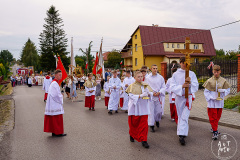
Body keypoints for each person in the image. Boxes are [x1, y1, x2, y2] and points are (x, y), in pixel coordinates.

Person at [170, 57, 199, 145]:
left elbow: (196, 86)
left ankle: (181, 135)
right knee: (180, 115)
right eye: (183, 63)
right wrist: (182, 86)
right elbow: (172, 86)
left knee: (184, 116)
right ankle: (183, 132)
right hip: (179, 97)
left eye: (186, 63)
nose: (184, 65)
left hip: (188, 98)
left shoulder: (192, 73)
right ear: (180, 63)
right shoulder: (175, 74)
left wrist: (190, 83)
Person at [126, 71, 152, 149]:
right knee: (134, 123)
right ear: (135, 78)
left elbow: (150, 94)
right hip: (135, 107)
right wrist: (140, 96)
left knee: (144, 124)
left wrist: (149, 94)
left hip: (143, 107)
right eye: (139, 77)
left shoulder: (145, 85)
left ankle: (144, 140)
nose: (140, 78)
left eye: (141, 76)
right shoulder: (131, 86)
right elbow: (131, 96)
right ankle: (132, 134)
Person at [203, 65, 230, 140]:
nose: (216, 73)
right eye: (215, 72)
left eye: (217, 72)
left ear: (220, 71)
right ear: (213, 72)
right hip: (212, 103)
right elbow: (206, 92)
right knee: (213, 117)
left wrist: (223, 91)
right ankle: (215, 131)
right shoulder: (209, 81)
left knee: (217, 117)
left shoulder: (223, 81)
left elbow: (228, 90)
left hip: (220, 102)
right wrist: (212, 97)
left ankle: (213, 127)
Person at [44, 69, 67, 137]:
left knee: (54, 118)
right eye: (59, 75)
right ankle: (58, 132)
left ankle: (54, 132)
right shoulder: (54, 83)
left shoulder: (54, 82)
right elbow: (55, 95)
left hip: (53, 103)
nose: (61, 76)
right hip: (55, 104)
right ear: (56, 75)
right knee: (57, 118)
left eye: (61, 75)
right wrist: (61, 96)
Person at [145, 64, 166, 132]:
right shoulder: (148, 78)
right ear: (151, 69)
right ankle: (151, 125)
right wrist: (151, 93)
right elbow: (146, 88)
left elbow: (163, 86)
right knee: (151, 111)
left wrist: (160, 92)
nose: (155, 70)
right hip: (151, 97)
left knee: (158, 111)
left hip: (158, 96)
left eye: (156, 68)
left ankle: (157, 120)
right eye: (154, 68)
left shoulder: (160, 77)